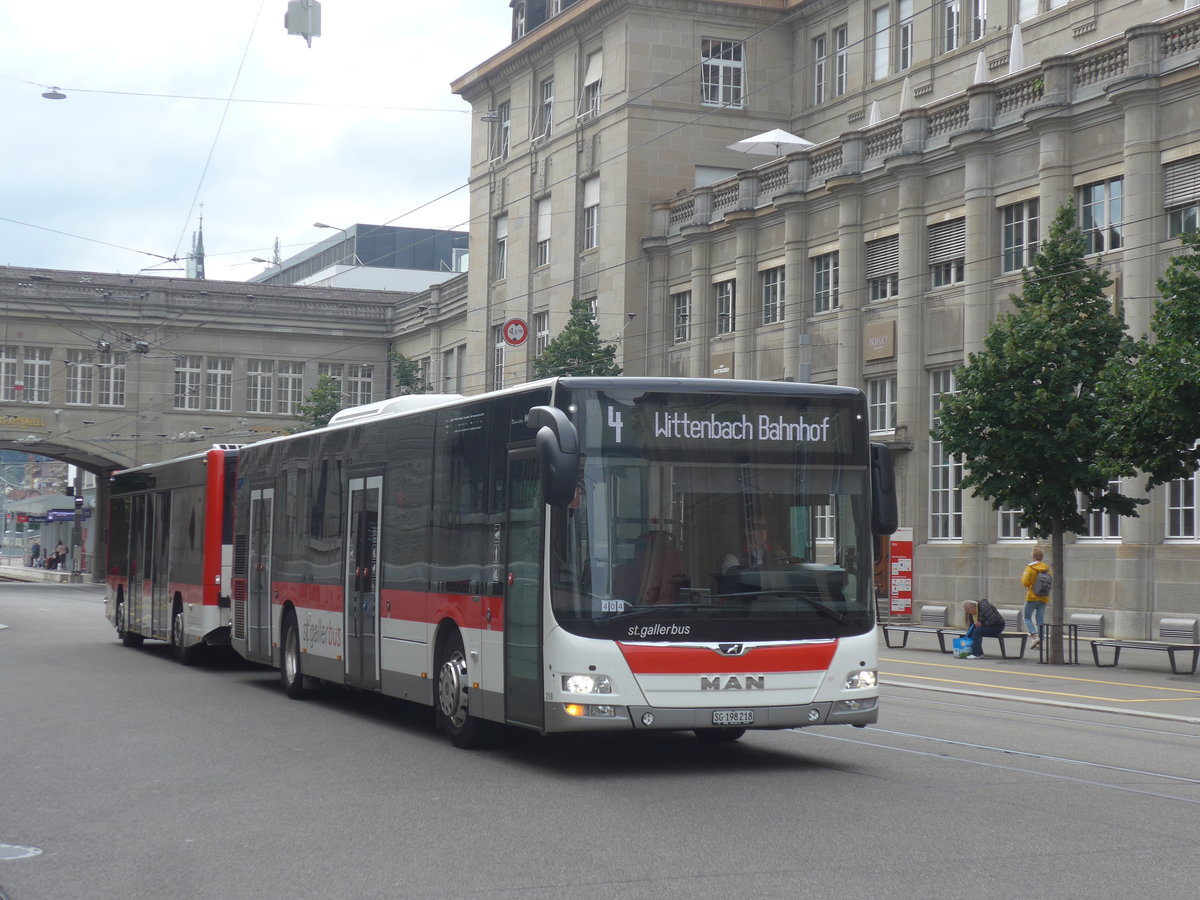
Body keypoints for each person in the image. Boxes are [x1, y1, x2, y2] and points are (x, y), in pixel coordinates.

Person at [1020, 548, 1052, 649]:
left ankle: (1034, 637)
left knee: (1027, 617)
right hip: (1044, 597)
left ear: (1033, 556)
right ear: (1041, 557)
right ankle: (1040, 641)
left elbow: (1025, 581)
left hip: (1032, 597)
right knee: (1040, 620)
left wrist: (1029, 585)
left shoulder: (1030, 568)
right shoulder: (1047, 568)